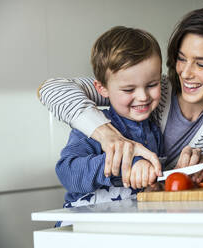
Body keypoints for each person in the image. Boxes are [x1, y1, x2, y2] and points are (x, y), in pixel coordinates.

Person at [38, 6, 203, 187]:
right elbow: (52, 89)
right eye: (181, 58)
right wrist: (110, 139)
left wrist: (200, 167)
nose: (185, 73)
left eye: (202, 63)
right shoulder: (152, 90)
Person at [55, 26, 164, 216]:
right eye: (129, 90)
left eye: (152, 85)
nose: (143, 96)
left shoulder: (155, 130)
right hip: (84, 226)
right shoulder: (92, 126)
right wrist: (125, 165)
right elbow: (67, 171)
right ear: (102, 88)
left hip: (127, 224)